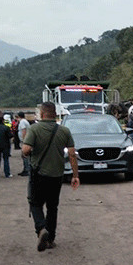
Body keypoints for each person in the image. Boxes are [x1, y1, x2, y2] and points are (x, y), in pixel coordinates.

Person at [22, 102, 79, 251]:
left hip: (38, 175)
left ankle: (41, 229)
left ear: (42, 114)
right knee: (52, 207)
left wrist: (30, 150)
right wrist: (75, 175)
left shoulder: (34, 129)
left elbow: (25, 150)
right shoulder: (64, 131)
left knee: (35, 203)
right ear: (55, 114)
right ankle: (50, 239)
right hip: (57, 176)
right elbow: (72, 154)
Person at [17, 111, 31, 176]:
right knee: (24, 156)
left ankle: (26, 170)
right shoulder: (25, 121)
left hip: (25, 141)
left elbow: (24, 131)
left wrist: (24, 141)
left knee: (25, 156)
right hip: (26, 140)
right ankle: (26, 169)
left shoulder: (22, 122)